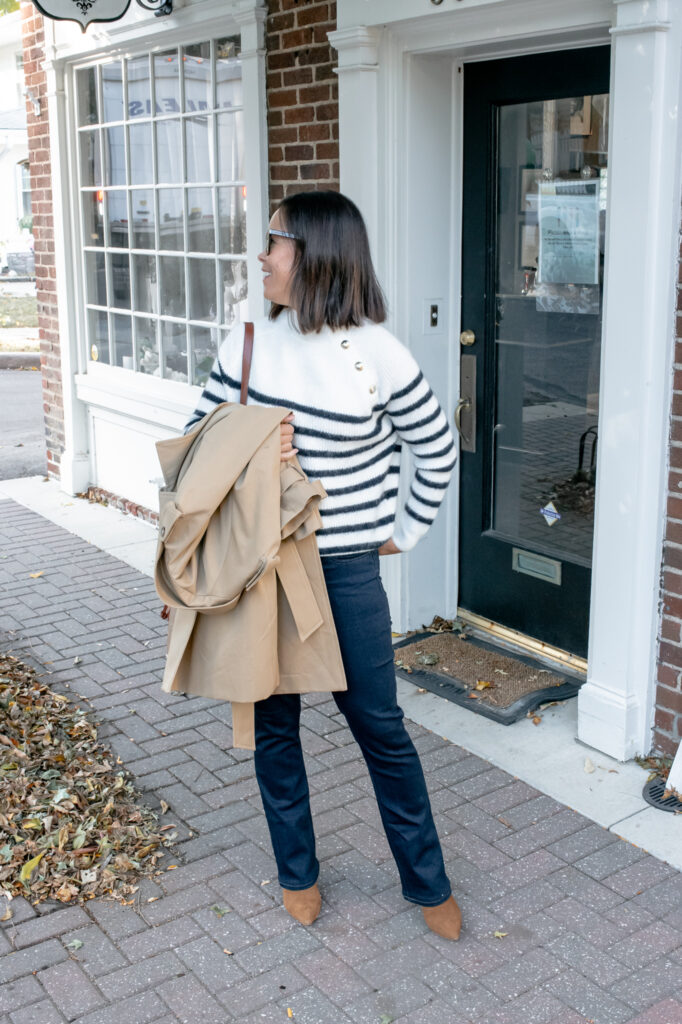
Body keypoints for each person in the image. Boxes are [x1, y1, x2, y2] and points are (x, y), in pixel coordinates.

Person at [186, 190, 462, 941]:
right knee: (275, 727)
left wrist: (401, 532)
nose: (262, 255)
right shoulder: (248, 335)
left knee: (379, 726)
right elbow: (193, 439)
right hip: (263, 567)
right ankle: (297, 872)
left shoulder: (379, 355)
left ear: (313, 252)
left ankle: (426, 881)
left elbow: (435, 449)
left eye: (274, 240)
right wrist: (244, 441)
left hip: (343, 571)